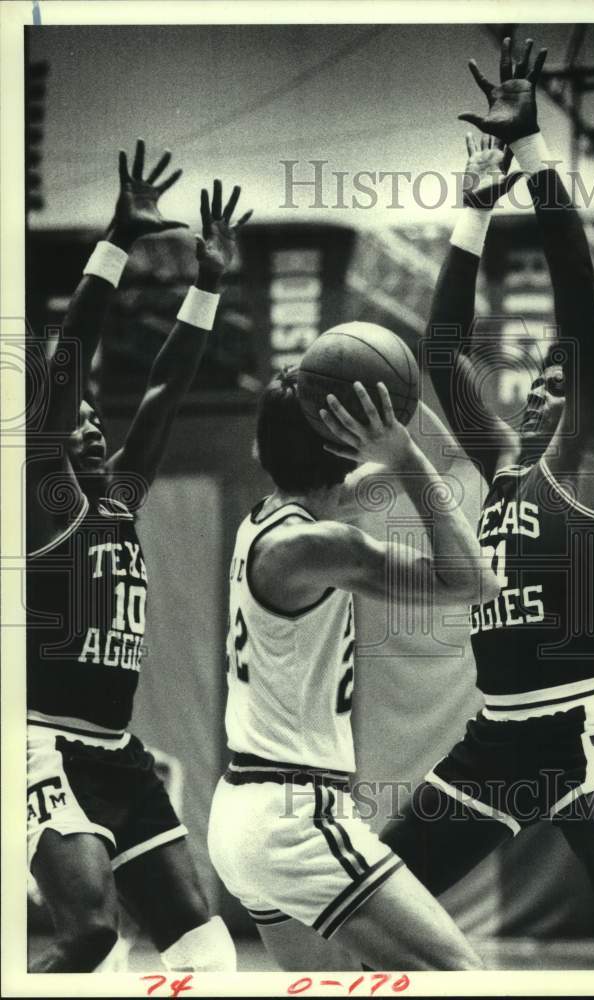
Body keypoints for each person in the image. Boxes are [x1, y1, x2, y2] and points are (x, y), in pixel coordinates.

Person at [379, 38, 594, 971]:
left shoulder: (588, 457)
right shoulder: (498, 462)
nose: (546, 382)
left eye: (566, 376)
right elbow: (441, 348)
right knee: (366, 908)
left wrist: (533, 156)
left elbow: (579, 295)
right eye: (539, 373)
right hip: (494, 735)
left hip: (582, 727)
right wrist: (472, 210)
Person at [26, 139, 251, 972]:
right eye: (73, 414)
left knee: (207, 952)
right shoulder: (44, 500)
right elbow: (68, 359)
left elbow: (163, 392)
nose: (86, 419)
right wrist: (117, 241)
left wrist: (209, 284)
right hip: (39, 740)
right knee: (89, 937)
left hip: (116, 750)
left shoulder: (118, 497)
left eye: (94, 414)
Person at [207, 368, 500, 970]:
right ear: (339, 452)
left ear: (261, 450)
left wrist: (399, 412)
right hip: (295, 816)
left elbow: (431, 460)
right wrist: (401, 452)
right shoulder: (318, 546)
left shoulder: (267, 518)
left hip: (244, 813)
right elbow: (476, 581)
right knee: (464, 977)